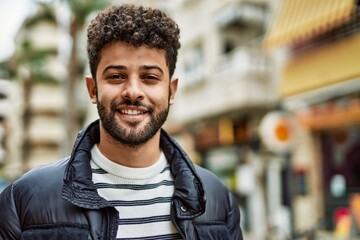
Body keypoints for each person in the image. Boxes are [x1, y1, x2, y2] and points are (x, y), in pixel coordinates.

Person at [0, 4, 243, 240]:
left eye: (149, 77)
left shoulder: (217, 198)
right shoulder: (24, 200)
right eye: (116, 76)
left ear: (171, 91)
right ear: (93, 89)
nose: (133, 91)